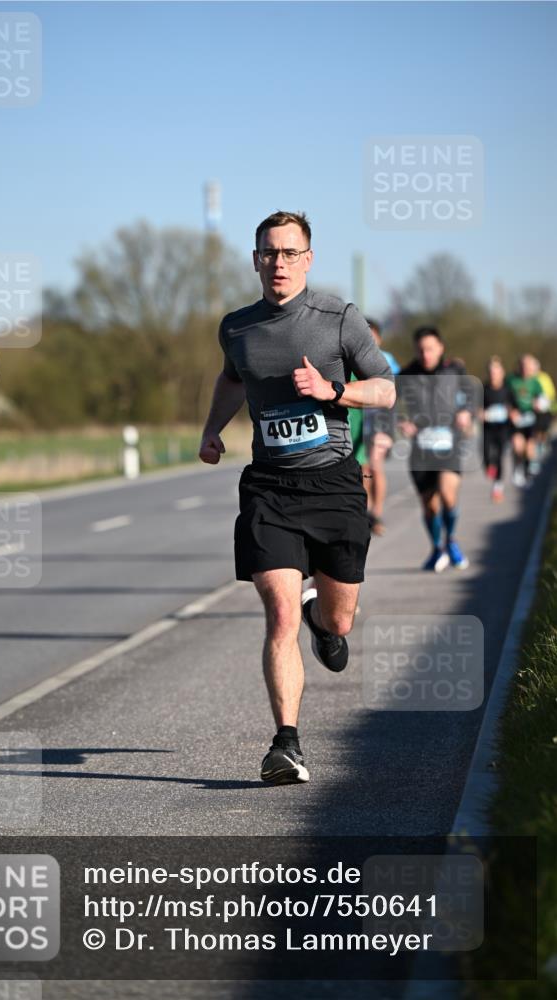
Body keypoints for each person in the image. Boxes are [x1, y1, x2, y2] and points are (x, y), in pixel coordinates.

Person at [198, 210, 395, 785]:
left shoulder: (339, 319)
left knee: (339, 617)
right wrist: (212, 429)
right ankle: (286, 744)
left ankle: (326, 623)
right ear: (255, 258)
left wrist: (333, 390)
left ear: (308, 259)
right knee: (278, 613)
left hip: (333, 484)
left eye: (289, 253)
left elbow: (384, 389)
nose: (278, 263)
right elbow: (233, 377)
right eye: (268, 252)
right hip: (271, 488)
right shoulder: (237, 326)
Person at [396, 326, 474, 572]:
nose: (425, 354)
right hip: (421, 449)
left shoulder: (455, 370)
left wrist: (466, 412)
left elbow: (471, 395)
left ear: (440, 348)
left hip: (449, 444)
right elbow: (389, 404)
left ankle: (451, 540)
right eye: (421, 350)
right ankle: (436, 548)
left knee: (447, 494)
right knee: (429, 505)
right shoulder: (406, 374)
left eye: (430, 348)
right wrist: (401, 422)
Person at [362, 319, 401, 535]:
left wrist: (389, 428)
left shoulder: (388, 360)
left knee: (376, 465)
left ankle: (377, 512)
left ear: (379, 338)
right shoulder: (351, 357)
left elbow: (395, 394)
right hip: (360, 421)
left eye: (372, 335)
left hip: (381, 422)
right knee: (363, 469)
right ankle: (367, 513)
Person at [481, 356, 518, 502]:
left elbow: (515, 408)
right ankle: (490, 468)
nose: (493, 375)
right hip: (488, 429)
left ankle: (498, 488)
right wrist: (481, 413)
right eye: (491, 372)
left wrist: (512, 413)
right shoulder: (484, 389)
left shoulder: (508, 390)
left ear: (502, 373)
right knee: (486, 455)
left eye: (496, 372)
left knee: (500, 456)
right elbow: (477, 408)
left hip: (503, 429)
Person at [507, 354, 544, 486]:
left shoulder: (535, 382)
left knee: (529, 449)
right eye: (523, 366)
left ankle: (528, 473)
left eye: (528, 367)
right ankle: (518, 468)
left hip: (531, 419)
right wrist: (510, 410)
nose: (525, 369)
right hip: (517, 420)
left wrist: (538, 403)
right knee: (517, 446)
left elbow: (542, 400)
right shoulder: (511, 380)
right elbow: (504, 397)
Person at [530, 356, 555, 463]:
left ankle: (542, 452)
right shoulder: (529, 378)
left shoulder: (544, 378)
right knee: (535, 434)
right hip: (533, 411)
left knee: (543, 433)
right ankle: (535, 456)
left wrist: (542, 403)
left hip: (545, 411)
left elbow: (551, 394)